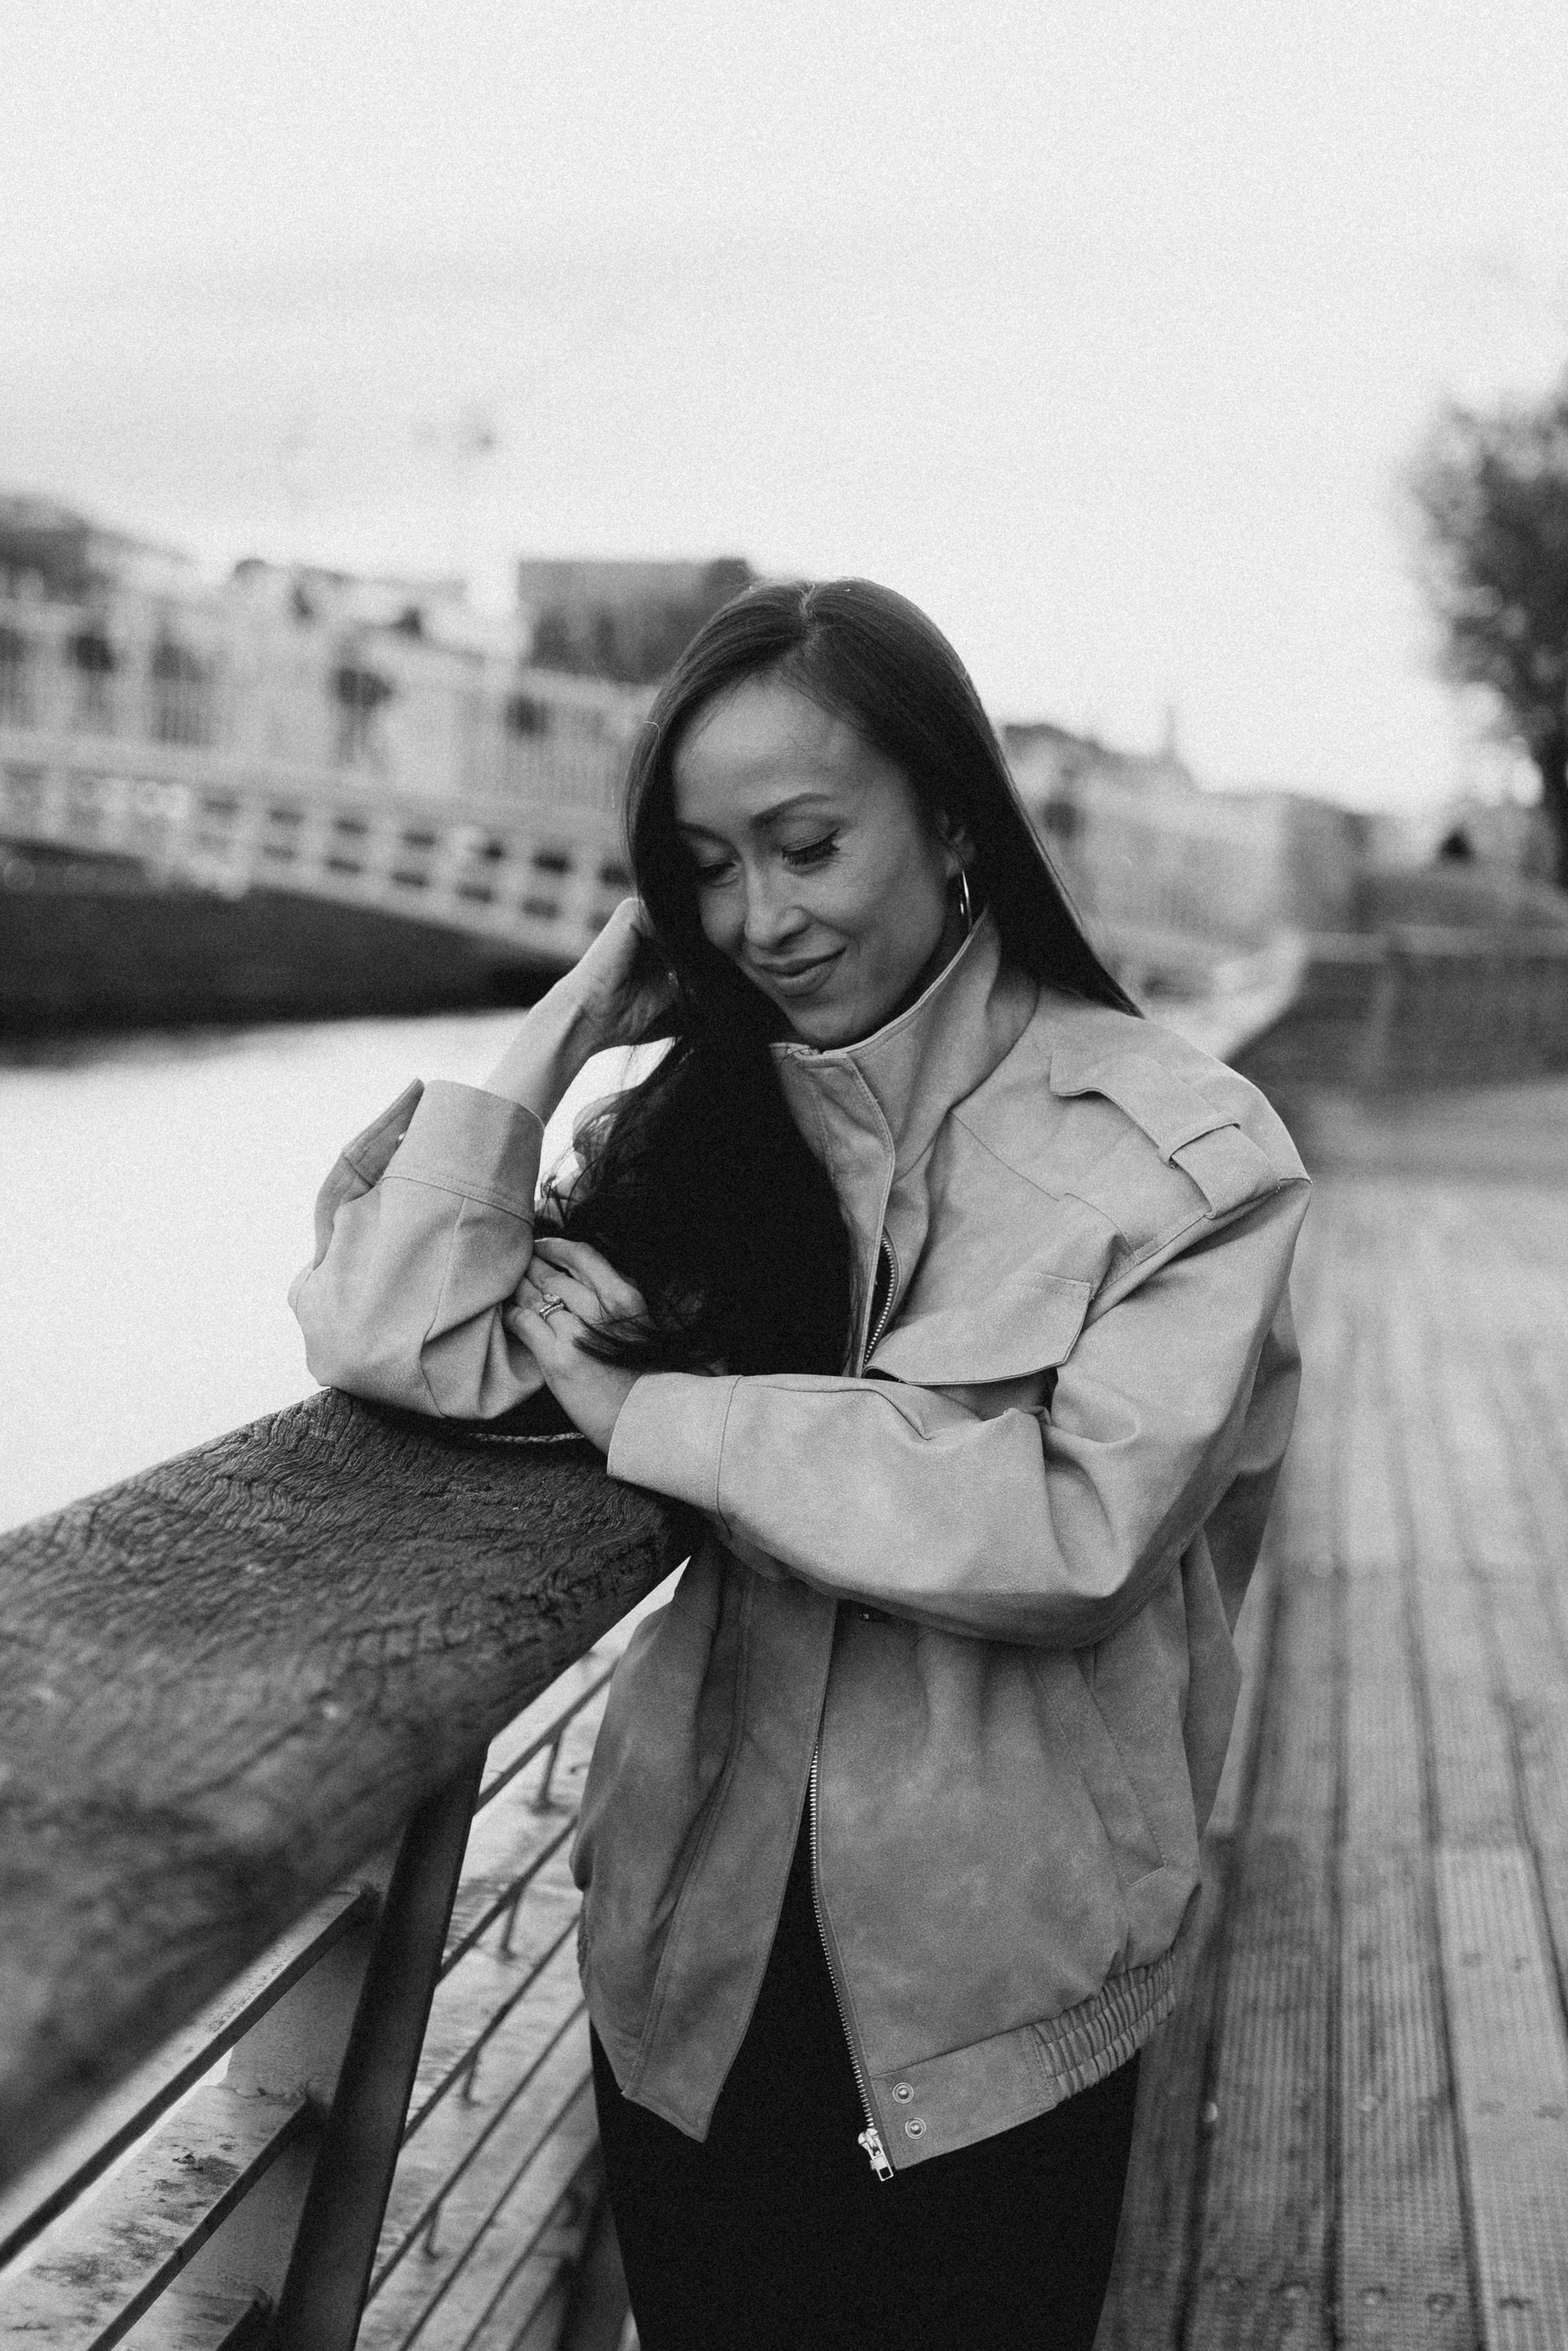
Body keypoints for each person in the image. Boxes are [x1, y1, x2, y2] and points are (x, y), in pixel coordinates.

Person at [292, 579, 1309, 2350]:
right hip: (693, 1964)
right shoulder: (704, 1134)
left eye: (808, 844)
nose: (758, 918)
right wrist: (570, 1021)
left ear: (953, 816)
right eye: (704, 868)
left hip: (1000, 1990)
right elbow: (397, 1334)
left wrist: (664, 1414)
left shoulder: (1187, 1157)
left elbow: (1080, 1527)